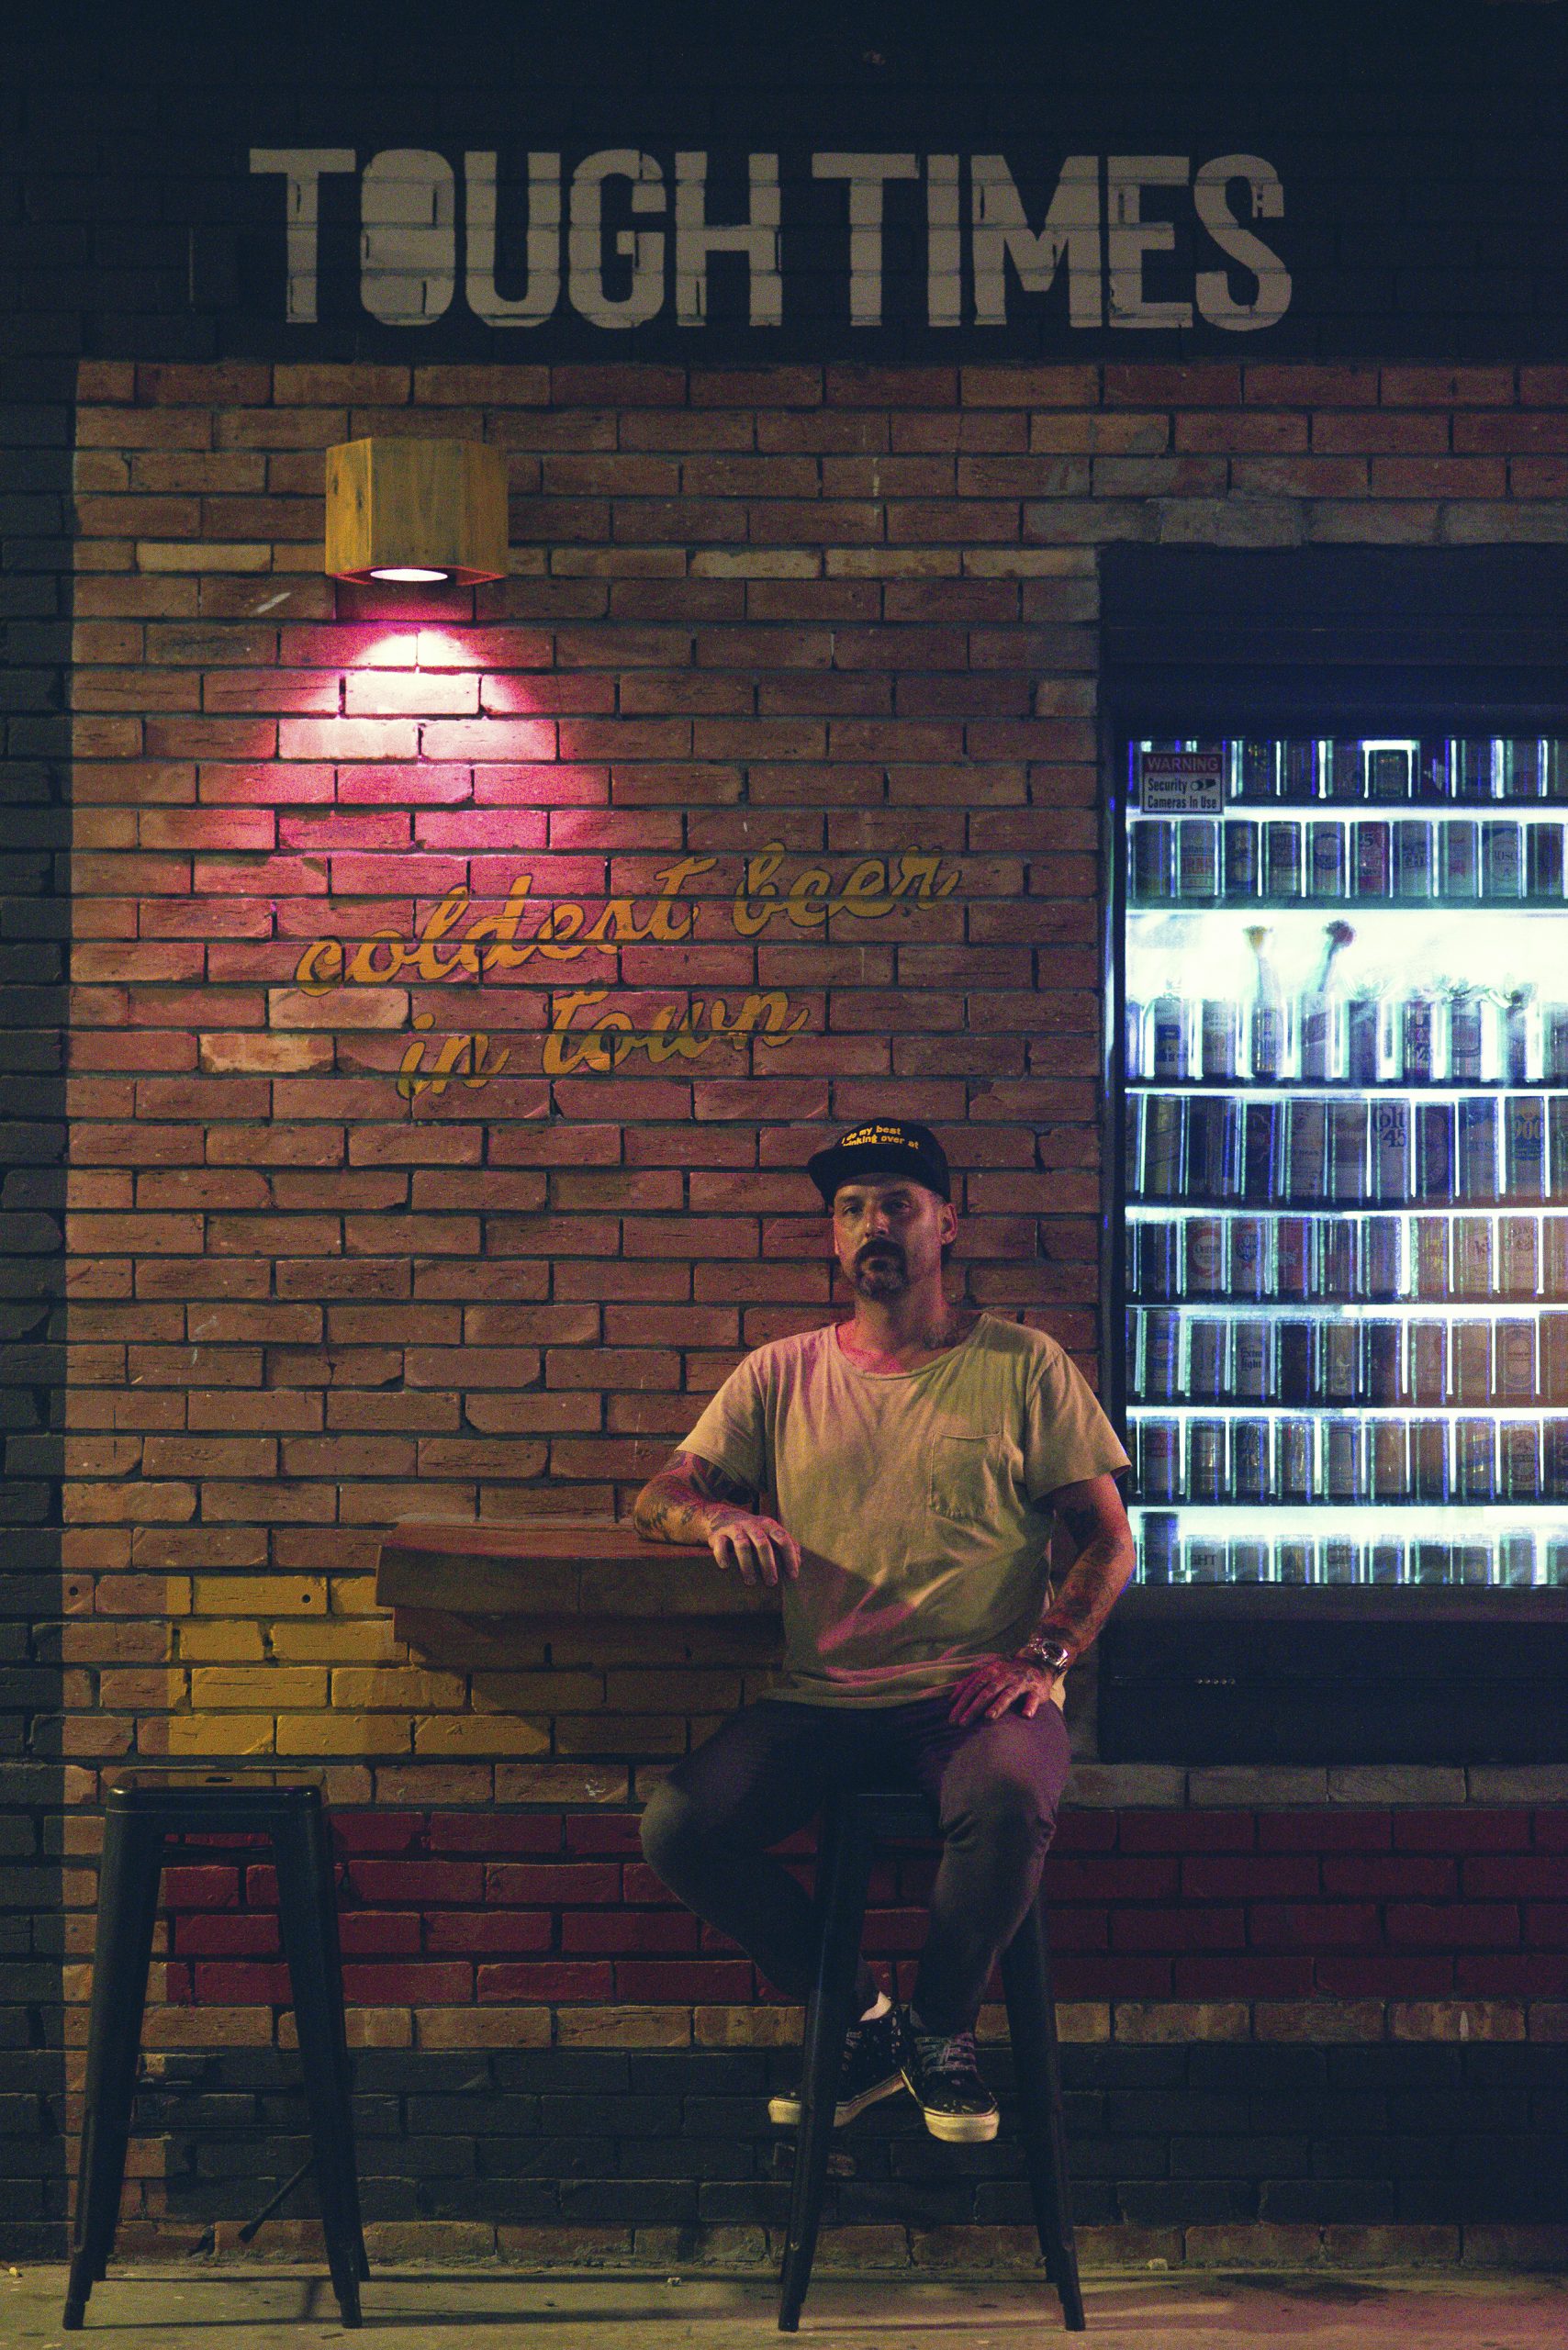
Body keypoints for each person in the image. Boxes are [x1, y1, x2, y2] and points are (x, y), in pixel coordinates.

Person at [633, 1119, 1134, 2144]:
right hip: (824, 1692)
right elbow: (661, 1494)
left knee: (1003, 1798)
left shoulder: (1020, 1365)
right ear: (832, 1237)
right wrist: (716, 1515)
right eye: (851, 1207)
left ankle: (940, 2028)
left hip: (968, 1692)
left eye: (896, 1203)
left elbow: (1107, 1541)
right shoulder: (779, 1373)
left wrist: (1043, 1656)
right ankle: (860, 2013)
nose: (872, 1223)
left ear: (946, 1223)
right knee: (679, 1827)